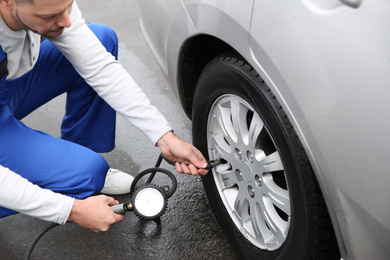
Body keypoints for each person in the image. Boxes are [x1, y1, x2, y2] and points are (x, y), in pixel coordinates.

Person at [0, 0, 209, 232]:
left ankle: (72, 157)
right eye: (51, 15)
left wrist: (164, 136)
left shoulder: (55, 7)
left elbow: (98, 66)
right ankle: (70, 177)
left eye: (67, 7)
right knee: (88, 175)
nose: (66, 21)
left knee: (101, 38)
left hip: (8, 88)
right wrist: (71, 210)